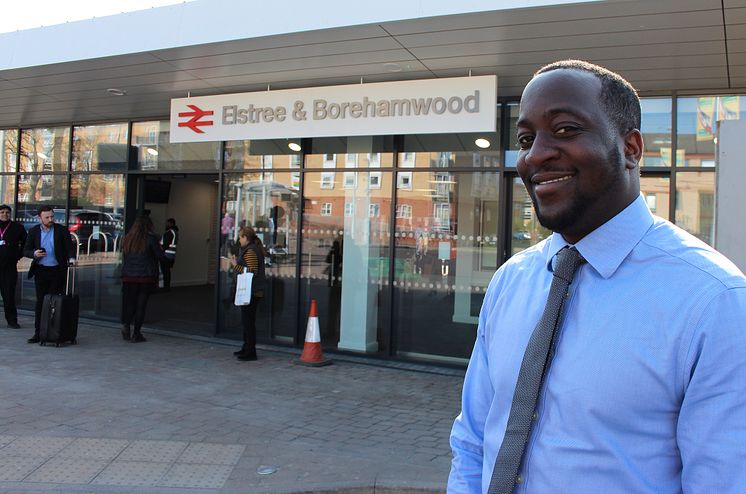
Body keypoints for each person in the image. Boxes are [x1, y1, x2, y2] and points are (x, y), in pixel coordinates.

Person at [448, 60, 746, 493]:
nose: (536, 154)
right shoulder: (511, 280)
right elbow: (474, 439)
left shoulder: (715, 302)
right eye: (526, 138)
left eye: (566, 129)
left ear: (631, 148)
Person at [23, 205, 77, 344]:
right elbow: (26, 249)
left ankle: (54, 331)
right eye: (47, 217)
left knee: (54, 302)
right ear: (39, 217)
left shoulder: (61, 230)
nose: (50, 219)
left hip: (57, 271)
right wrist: (34, 254)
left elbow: (69, 248)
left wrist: (71, 258)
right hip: (41, 270)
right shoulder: (34, 231)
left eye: (52, 216)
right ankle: (38, 333)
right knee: (41, 302)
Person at [120, 215, 165, 343]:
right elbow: (160, 256)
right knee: (141, 305)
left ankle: (126, 326)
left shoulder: (127, 239)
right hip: (145, 277)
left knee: (130, 304)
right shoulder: (151, 239)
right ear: (148, 226)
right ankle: (137, 334)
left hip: (129, 276)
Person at [229, 226, 266, 361]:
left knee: (248, 322)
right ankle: (246, 348)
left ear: (246, 238)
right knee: (246, 322)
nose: (239, 240)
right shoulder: (249, 250)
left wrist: (235, 265)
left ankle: (251, 351)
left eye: (240, 237)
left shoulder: (250, 251)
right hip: (251, 291)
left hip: (251, 292)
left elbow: (251, 271)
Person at [0, 205, 27, 329]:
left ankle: (12, 320)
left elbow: (26, 244)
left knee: (9, 294)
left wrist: (18, 255)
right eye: (2, 212)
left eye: (7, 212)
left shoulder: (17, 228)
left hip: (9, 266)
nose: (4, 214)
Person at [159, 217, 178, 291]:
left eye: (167, 223)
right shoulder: (175, 232)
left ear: (170, 223)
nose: (166, 224)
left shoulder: (169, 232)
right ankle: (167, 286)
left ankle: (165, 287)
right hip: (171, 255)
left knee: (165, 272)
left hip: (166, 255)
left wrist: (160, 250)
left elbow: (165, 245)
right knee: (167, 271)